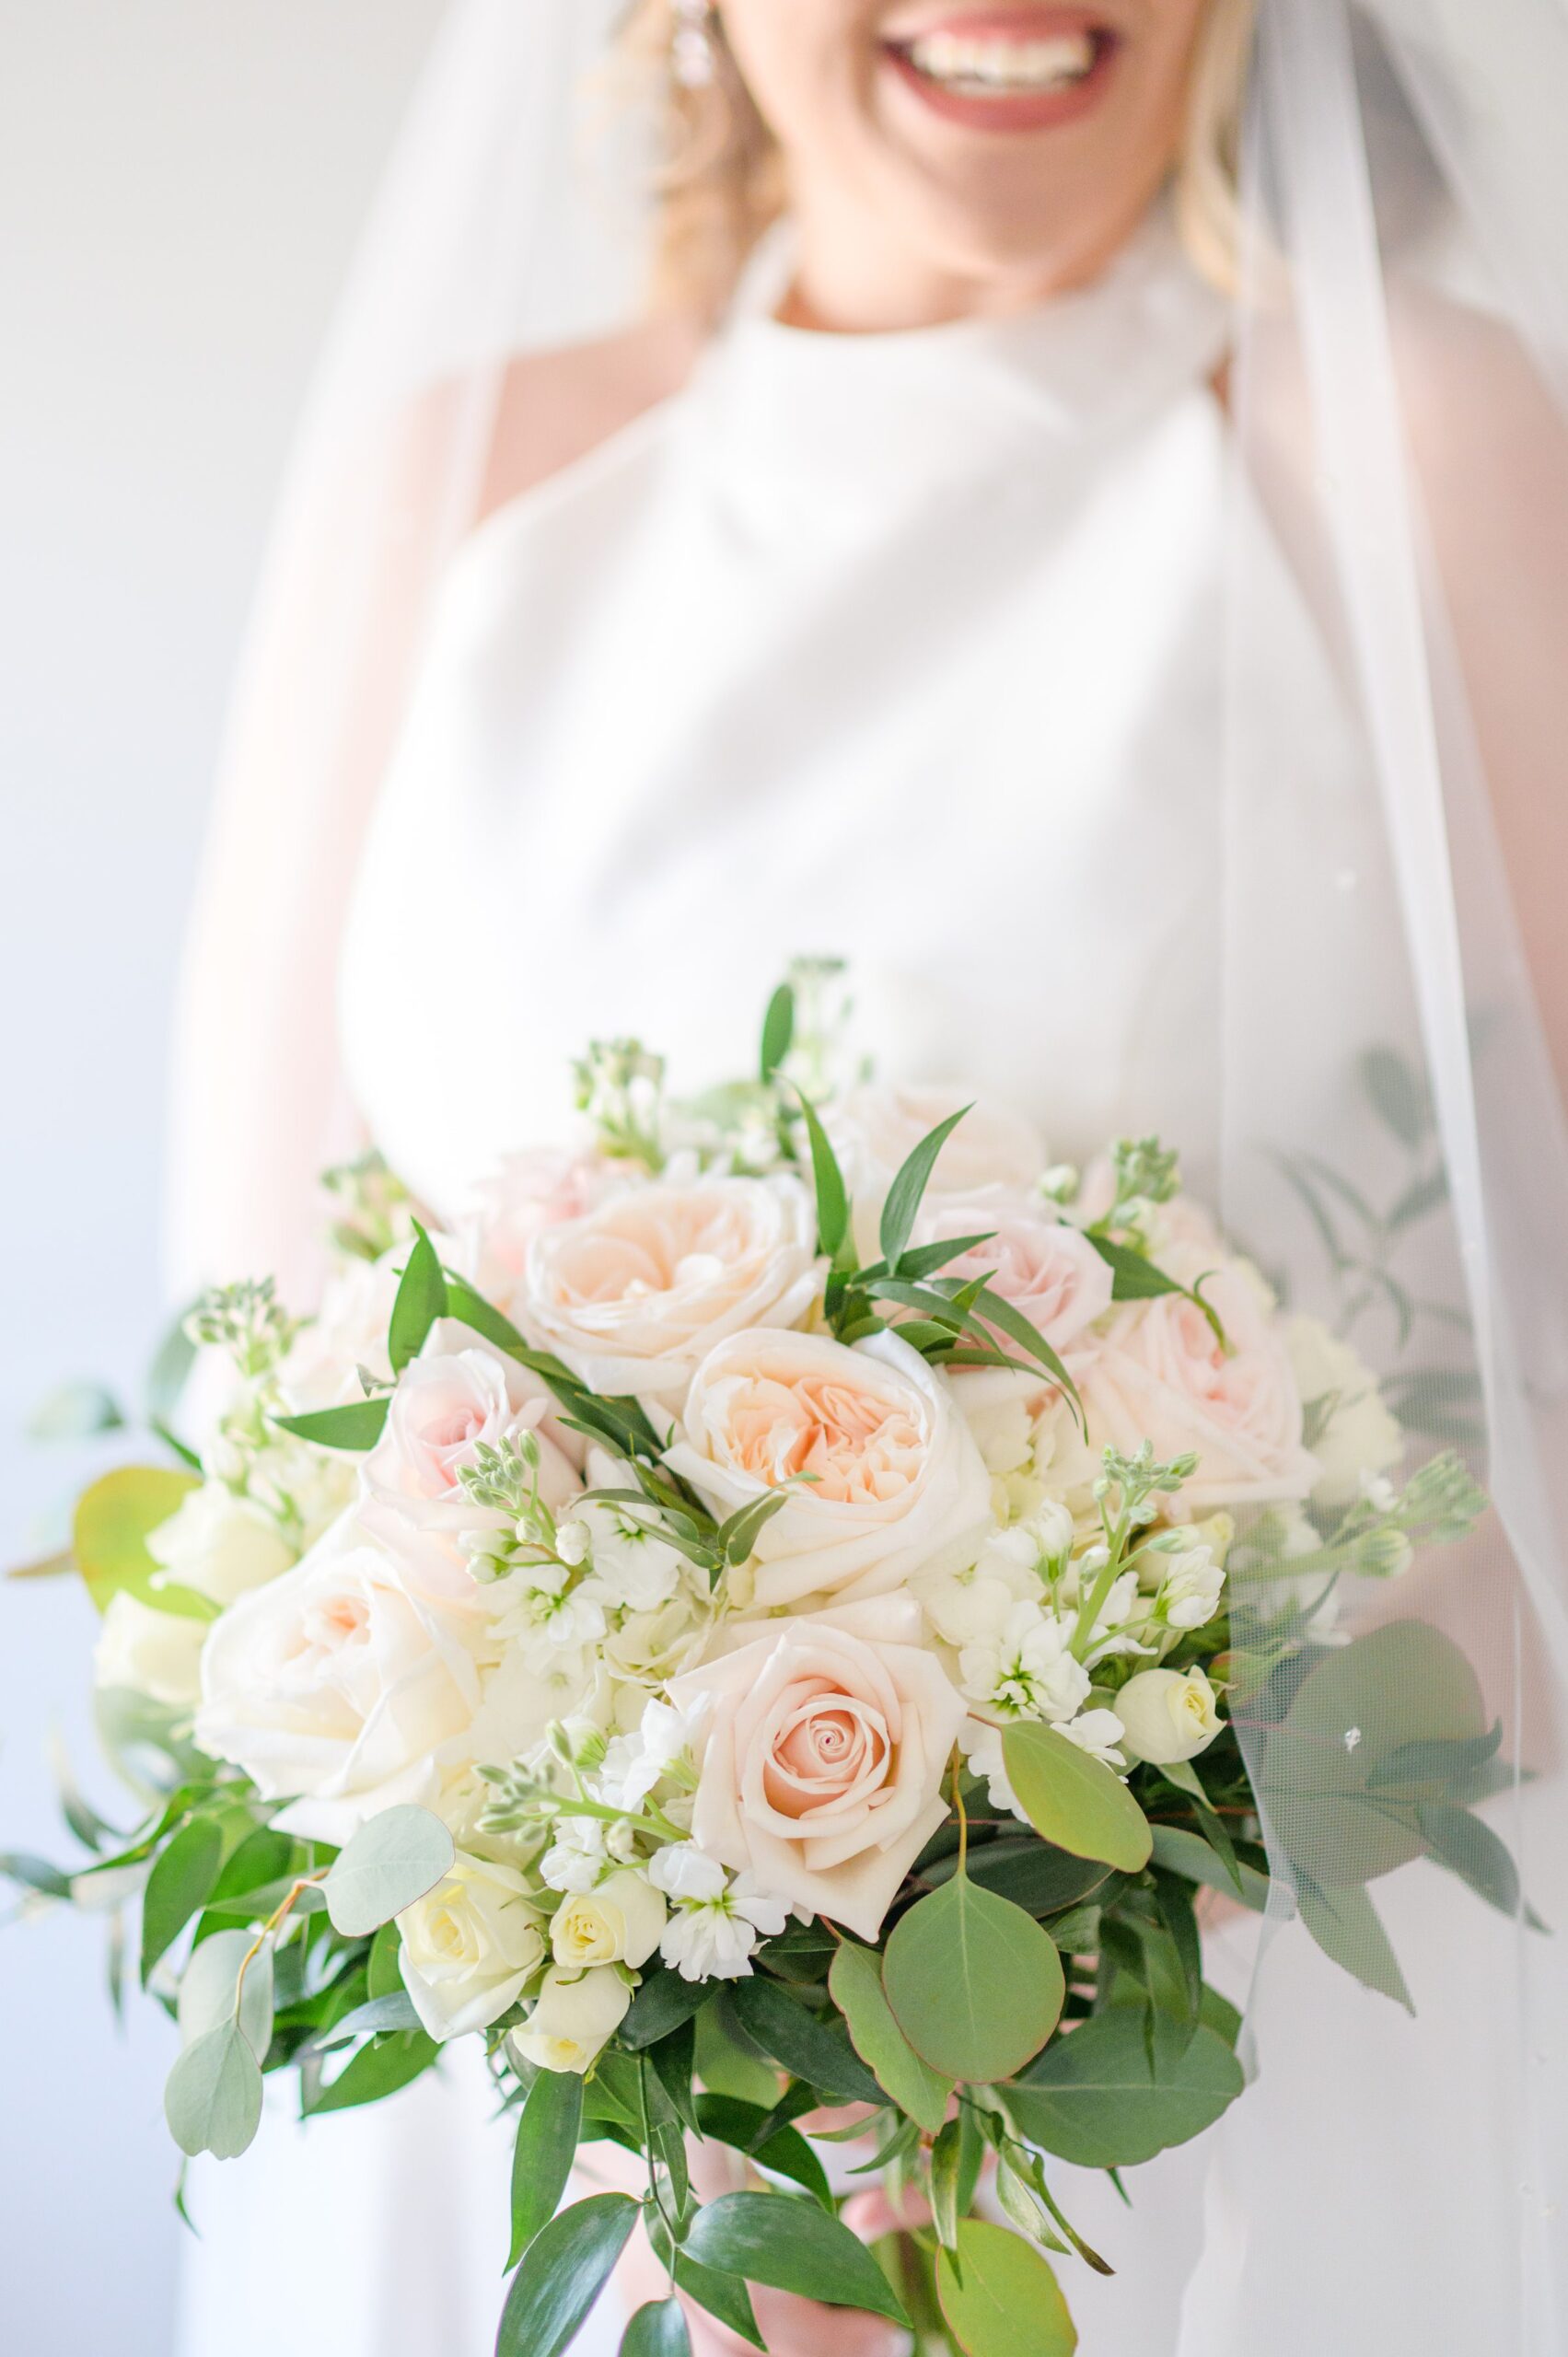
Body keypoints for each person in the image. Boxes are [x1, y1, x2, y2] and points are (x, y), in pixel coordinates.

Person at [170, 3, 1568, 2351]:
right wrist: (649, 2028)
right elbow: (256, 1348)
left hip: (1226, 2079)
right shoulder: (475, 473)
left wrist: (1035, 1966)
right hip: (548, 2114)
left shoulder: (1409, 435)